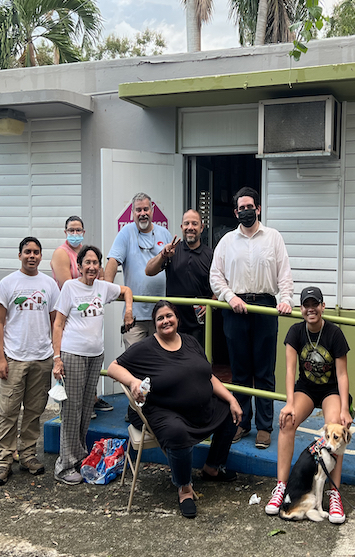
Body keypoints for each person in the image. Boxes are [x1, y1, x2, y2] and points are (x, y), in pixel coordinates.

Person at [108, 300, 243, 518]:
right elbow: (113, 367)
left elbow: (208, 376)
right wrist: (133, 382)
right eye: (160, 318)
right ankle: (185, 488)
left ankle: (212, 467)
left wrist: (231, 399)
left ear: (177, 319)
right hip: (163, 411)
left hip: (199, 408)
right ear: (155, 324)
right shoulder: (145, 348)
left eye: (169, 316)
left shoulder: (190, 341)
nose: (165, 321)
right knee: (176, 432)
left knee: (230, 412)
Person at [209, 186, 293, 450]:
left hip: (266, 308)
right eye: (241, 208)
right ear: (235, 212)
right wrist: (229, 296)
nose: (246, 211)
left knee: (264, 371)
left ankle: (265, 428)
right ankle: (242, 422)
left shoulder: (273, 238)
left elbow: (285, 275)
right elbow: (215, 276)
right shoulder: (226, 242)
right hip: (236, 308)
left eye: (250, 206)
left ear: (258, 208)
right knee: (240, 370)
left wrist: (286, 300)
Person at [265, 286, 352, 523]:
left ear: (323, 307)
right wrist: (289, 403)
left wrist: (344, 408)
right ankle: (282, 487)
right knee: (287, 422)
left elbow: (343, 375)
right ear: (301, 308)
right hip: (305, 388)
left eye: (315, 305)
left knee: (335, 428)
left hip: (330, 389)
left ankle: (334, 493)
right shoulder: (295, 332)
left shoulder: (334, 334)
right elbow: (290, 369)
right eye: (306, 305)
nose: (310, 309)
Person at [52, 245, 134, 484]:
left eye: (95, 262)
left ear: (99, 267)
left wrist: (128, 311)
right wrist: (56, 357)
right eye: (86, 262)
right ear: (78, 266)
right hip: (72, 354)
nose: (91, 266)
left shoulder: (102, 287)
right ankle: (64, 465)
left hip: (95, 356)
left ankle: (78, 456)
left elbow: (126, 290)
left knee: (87, 408)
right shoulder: (70, 287)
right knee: (71, 409)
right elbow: (58, 324)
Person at [0, 237, 60, 486]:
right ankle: (4, 460)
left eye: (36, 252)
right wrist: (0, 357)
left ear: (41, 256)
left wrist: (55, 355)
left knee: (34, 411)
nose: (32, 256)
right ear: (19, 255)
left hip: (41, 358)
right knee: (8, 411)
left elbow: (56, 323)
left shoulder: (49, 284)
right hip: (14, 358)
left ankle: (28, 455)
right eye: (27, 252)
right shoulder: (8, 284)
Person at [50, 215, 112, 415]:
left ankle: (91, 400)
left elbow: (99, 279)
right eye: (71, 230)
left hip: (87, 322)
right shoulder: (61, 253)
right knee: (72, 394)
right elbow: (72, 285)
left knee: (88, 368)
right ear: (65, 231)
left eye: (79, 230)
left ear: (83, 232)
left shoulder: (88, 253)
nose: (75, 234)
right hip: (69, 314)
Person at [105, 192, 172, 349]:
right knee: (135, 363)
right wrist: (106, 287)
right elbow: (113, 260)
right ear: (132, 213)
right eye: (138, 210)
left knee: (161, 362)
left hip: (161, 314)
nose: (143, 214)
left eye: (146, 209)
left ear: (152, 211)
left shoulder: (165, 234)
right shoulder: (125, 233)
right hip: (135, 316)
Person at [145, 209, 214, 347]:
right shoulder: (172, 251)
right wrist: (163, 255)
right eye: (186, 223)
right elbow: (149, 271)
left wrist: (212, 303)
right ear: (182, 227)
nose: (190, 227)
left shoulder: (210, 254)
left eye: (194, 224)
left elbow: (221, 283)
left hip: (199, 324)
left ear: (202, 227)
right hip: (173, 322)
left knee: (198, 363)